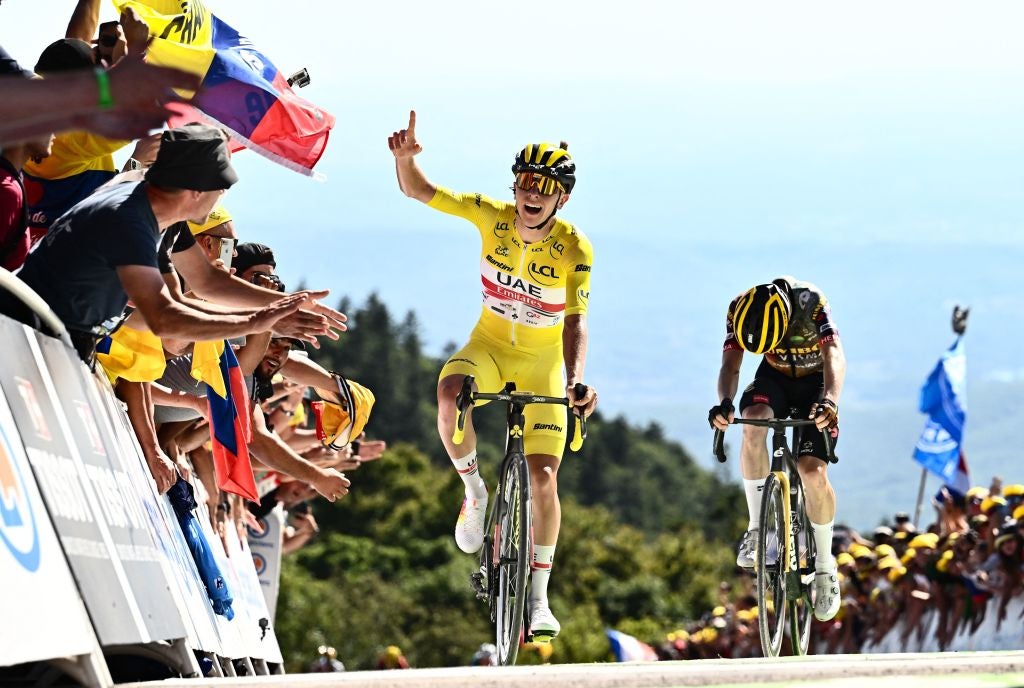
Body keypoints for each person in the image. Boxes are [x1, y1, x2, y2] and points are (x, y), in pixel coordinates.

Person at [388, 111, 598, 641]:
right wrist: (404, 160)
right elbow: (421, 191)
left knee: (545, 478)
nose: (532, 195)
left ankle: (540, 599)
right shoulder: (492, 216)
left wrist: (574, 380)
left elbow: (576, 321)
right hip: (487, 348)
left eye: (544, 188)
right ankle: (475, 492)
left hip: (543, 360)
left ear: (561, 199)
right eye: (525, 184)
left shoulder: (575, 247)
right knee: (449, 393)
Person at [0, 123, 328, 361]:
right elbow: (163, 318)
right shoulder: (128, 222)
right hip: (32, 338)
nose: (223, 198)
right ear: (196, 191)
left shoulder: (145, 192)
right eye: (223, 188)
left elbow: (207, 280)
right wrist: (256, 322)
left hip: (43, 333)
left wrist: (280, 304)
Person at [708, 277, 846, 622]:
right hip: (775, 377)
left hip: (816, 382)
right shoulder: (739, 308)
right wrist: (724, 403)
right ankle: (757, 528)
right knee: (753, 422)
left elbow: (834, 354)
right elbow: (731, 364)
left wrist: (829, 400)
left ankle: (826, 564)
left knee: (812, 472)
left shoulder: (810, 301)